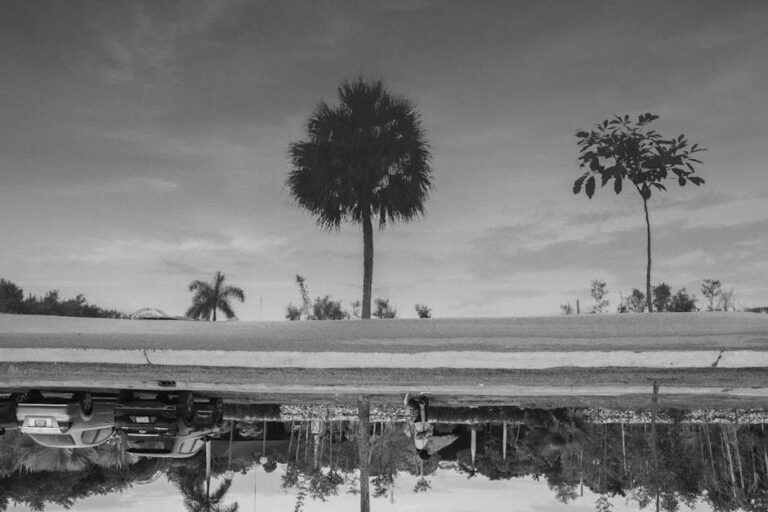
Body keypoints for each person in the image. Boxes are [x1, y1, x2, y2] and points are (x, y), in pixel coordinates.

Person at [404, 394, 457, 461]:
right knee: (425, 403)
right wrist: (430, 431)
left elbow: (418, 437)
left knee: (420, 407)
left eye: (429, 452)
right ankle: (416, 399)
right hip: (423, 423)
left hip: (420, 423)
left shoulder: (420, 446)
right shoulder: (422, 446)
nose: (430, 451)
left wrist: (426, 434)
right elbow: (423, 436)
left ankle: (408, 402)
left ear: (426, 453)